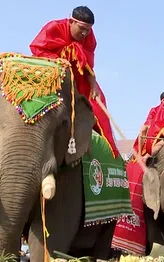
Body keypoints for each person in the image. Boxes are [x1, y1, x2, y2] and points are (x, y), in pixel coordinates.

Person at [29, 6, 119, 158]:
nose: (85, 33)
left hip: (78, 76)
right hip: (51, 73)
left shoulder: (90, 37)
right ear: (71, 22)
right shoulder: (54, 28)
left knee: (97, 102)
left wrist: (93, 85)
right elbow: (37, 50)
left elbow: (88, 65)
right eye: (82, 28)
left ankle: (108, 151)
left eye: (88, 30)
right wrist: (60, 61)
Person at [132, 91, 164, 156]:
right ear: (163, 100)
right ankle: (140, 153)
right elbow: (150, 120)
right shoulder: (155, 109)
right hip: (155, 128)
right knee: (143, 128)